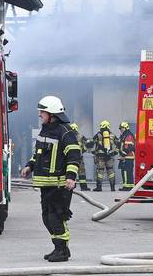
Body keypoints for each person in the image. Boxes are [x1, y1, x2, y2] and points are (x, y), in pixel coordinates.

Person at [20, 96, 81, 262]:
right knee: (47, 217)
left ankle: (62, 250)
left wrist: (71, 177)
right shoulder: (45, 130)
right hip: (46, 185)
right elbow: (38, 154)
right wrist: (29, 166)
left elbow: (74, 155)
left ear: (52, 113)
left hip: (60, 185)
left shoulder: (65, 132)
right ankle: (59, 248)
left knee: (56, 217)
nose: (39, 114)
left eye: (42, 112)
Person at [87, 120, 118, 191]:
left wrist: (93, 151)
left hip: (100, 156)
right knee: (110, 171)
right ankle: (112, 187)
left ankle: (99, 187)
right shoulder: (112, 135)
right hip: (110, 156)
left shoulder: (98, 135)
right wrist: (115, 152)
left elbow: (91, 143)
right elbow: (119, 144)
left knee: (100, 172)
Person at [69, 123, 89, 191]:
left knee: (71, 171)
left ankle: (71, 186)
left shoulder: (68, 136)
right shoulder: (81, 136)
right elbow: (88, 144)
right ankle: (83, 187)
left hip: (70, 158)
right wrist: (83, 150)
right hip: (79, 157)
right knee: (82, 172)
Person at [118, 121, 136, 191]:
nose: (121, 130)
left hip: (128, 156)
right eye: (120, 129)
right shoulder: (124, 135)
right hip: (127, 156)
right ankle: (129, 186)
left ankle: (126, 186)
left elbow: (128, 147)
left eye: (122, 128)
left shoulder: (128, 135)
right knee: (128, 172)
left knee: (126, 171)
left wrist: (123, 155)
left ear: (126, 128)